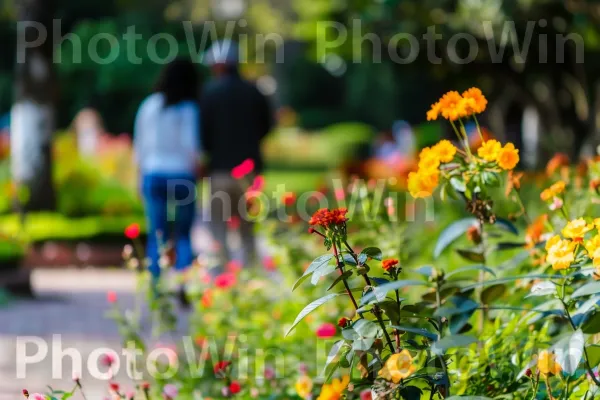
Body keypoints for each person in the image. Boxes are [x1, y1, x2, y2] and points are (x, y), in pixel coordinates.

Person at [201, 40, 273, 268]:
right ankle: (252, 276)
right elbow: (267, 125)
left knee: (218, 228)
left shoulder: (209, 93)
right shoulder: (254, 91)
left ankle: (224, 278)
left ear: (219, 65)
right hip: (250, 173)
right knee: (248, 228)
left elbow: (202, 133)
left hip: (220, 170)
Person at [133, 58, 202, 282]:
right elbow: (191, 146)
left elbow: (140, 146)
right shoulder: (188, 108)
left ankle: (156, 284)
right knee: (183, 234)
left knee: (157, 234)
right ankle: (184, 281)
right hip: (181, 174)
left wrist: (138, 177)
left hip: (153, 173)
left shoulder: (149, 105)